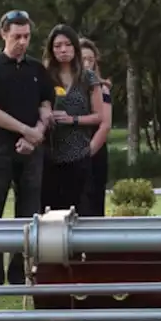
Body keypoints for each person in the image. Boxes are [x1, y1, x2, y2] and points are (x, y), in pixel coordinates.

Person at [0, 10, 55, 285]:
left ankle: (21, 272)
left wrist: (36, 135)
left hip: (31, 150)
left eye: (27, 36)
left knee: (29, 212)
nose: (22, 41)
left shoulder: (37, 69)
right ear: (4, 34)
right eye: (17, 36)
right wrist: (25, 131)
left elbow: (46, 105)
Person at [40, 24, 103, 213]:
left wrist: (73, 119)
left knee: (81, 212)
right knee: (51, 214)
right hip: (49, 156)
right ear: (51, 49)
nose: (63, 50)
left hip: (78, 155)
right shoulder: (44, 76)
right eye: (58, 45)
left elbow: (99, 116)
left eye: (67, 44)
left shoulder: (88, 78)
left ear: (75, 47)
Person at [78, 38, 114, 217]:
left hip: (94, 151)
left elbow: (105, 125)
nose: (86, 64)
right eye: (82, 59)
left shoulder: (102, 89)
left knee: (92, 204)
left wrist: (87, 152)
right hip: (68, 150)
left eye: (90, 60)